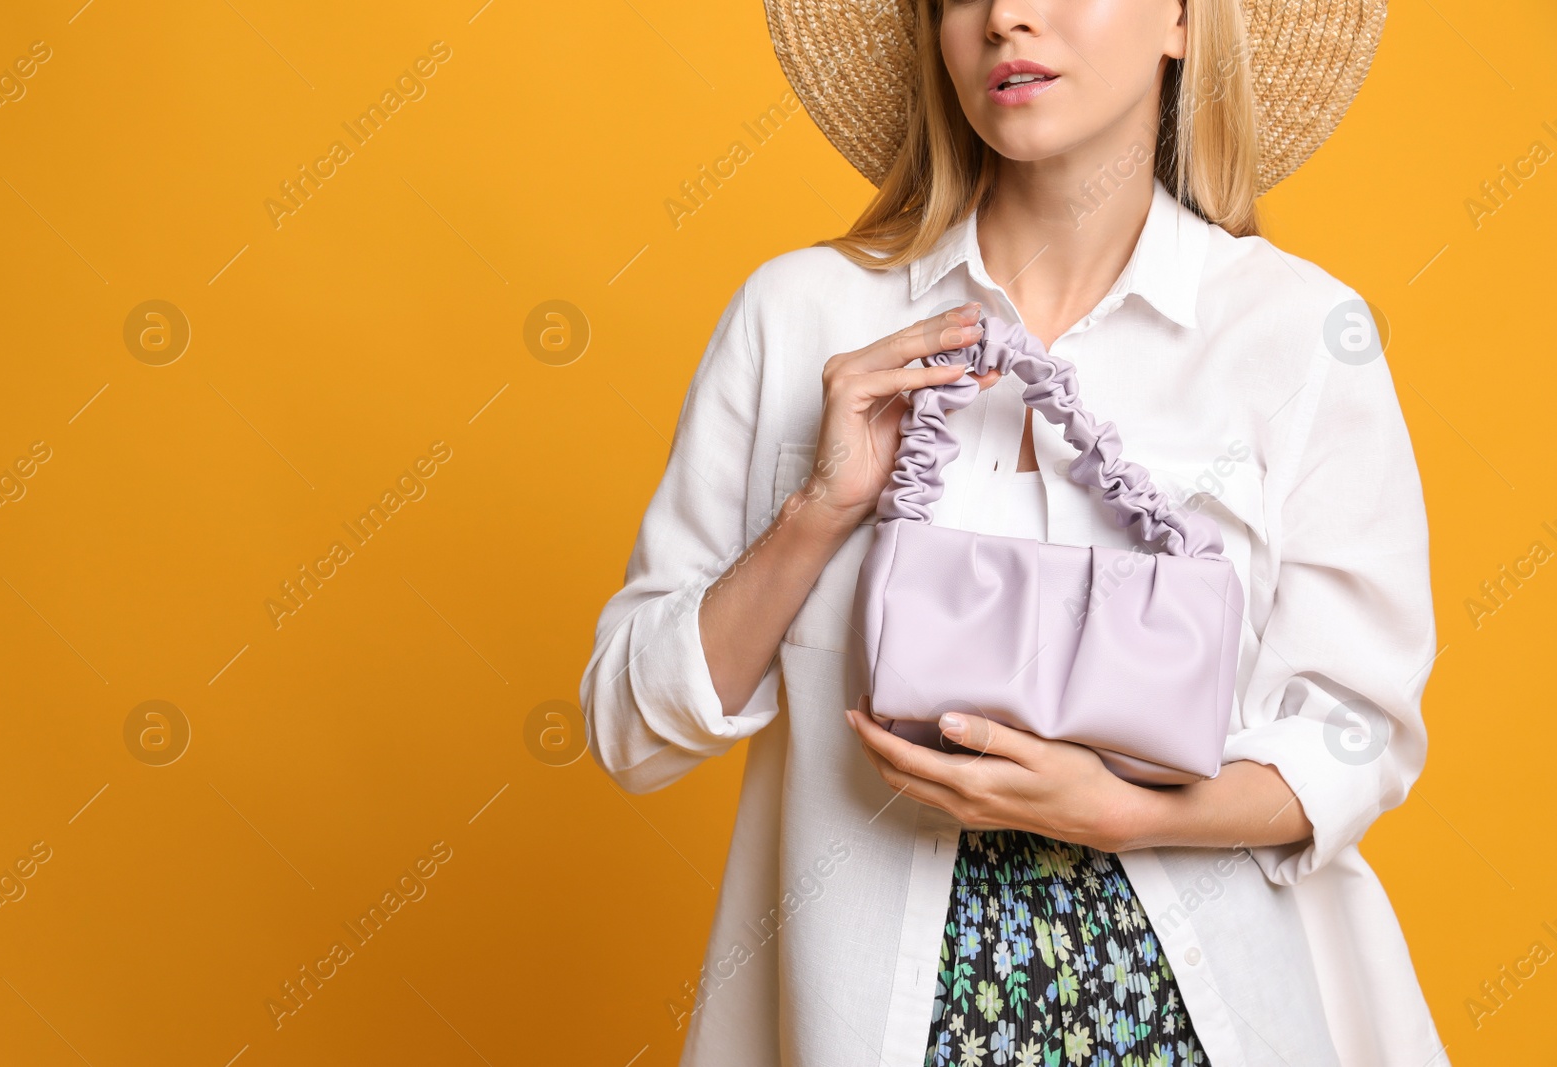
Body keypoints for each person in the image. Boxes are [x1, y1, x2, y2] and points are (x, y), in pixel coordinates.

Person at [580, 1, 1445, 1064]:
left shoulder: (1296, 334)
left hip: (1203, 1017)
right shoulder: (799, 314)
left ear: (1179, 20)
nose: (1006, 18)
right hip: (869, 1019)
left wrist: (1129, 813)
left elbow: (1358, 733)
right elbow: (631, 728)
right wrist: (820, 510)